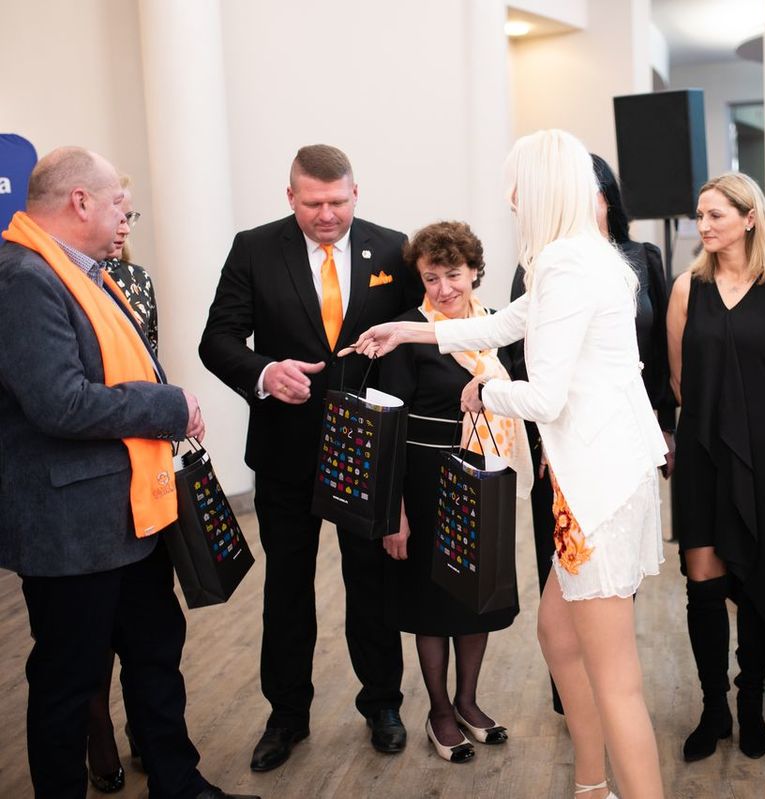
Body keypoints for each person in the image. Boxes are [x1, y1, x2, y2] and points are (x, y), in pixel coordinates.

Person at [344, 128, 667, 799]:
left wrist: (485, 390)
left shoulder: (567, 264)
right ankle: (591, 785)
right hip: (601, 476)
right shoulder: (582, 256)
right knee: (558, 636)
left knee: (617, 680)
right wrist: (408, 329)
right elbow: (501, 324)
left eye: (518, 185)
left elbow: (544, 397)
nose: (512, 199)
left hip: (598, 488)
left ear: (545, 188)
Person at [0, 146, 255, 799]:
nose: (125, 217)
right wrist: (170, 406)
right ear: (80, 201)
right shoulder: (22, 278)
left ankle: (177, 781)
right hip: (72, 529)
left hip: (134, 510)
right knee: (69, 681)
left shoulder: (85, 272)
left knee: (155, 654)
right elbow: (60, 402)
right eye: (119, 203)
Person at [199, 144, 420, 772]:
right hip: (285, 450)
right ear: (290, 196)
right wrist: (265, 373)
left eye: (338, 202)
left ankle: (382, 703)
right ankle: (286, 715)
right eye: (313, 203)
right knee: (287, 588)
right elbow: (217, 339)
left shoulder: (393, 249)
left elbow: (414, 334)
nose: (327, 215)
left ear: (356, 194)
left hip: (367, 448)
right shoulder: (254, 248)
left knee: (370, 583)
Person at [665, 172, 765, 762]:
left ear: (749, 218)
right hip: (703, 458)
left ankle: (752, 701)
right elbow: (679, 379)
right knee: (703, 586)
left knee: (759, 582)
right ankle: (714, 709)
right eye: (700, 215)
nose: (703, 226)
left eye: (716, 215)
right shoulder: (688, 288)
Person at [509, 153, 675, 715]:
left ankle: (604, 727)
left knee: (611, 658)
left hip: (606, 460)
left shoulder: (619, 261)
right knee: (561, 625)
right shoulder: (558, 265)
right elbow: (515, 337)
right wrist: (416, 331)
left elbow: (653, 357)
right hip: (569, 452)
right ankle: (583, 733)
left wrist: (485, 393)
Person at [377, 221, 530, 763]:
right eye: (431, 277)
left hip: (485, 473)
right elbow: (388, 429)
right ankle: (439, 711)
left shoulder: (498, 324)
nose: (444, 288)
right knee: (431, 600)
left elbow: (521, 391)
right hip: (423, 482)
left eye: (454, 275)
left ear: (475, 272)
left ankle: (468, 701)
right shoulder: (406, 332)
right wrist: (394, 512)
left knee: (474, 596)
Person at [84, 176, 157, 794]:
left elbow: (149, 368)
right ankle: (98, 732)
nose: (125, 225)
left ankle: (147, 732)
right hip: (85, 472)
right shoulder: (48, 280)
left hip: (143, 468)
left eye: (131, 216)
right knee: (87, 634)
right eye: (119, 212)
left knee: (148, 629)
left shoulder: (135, 282)